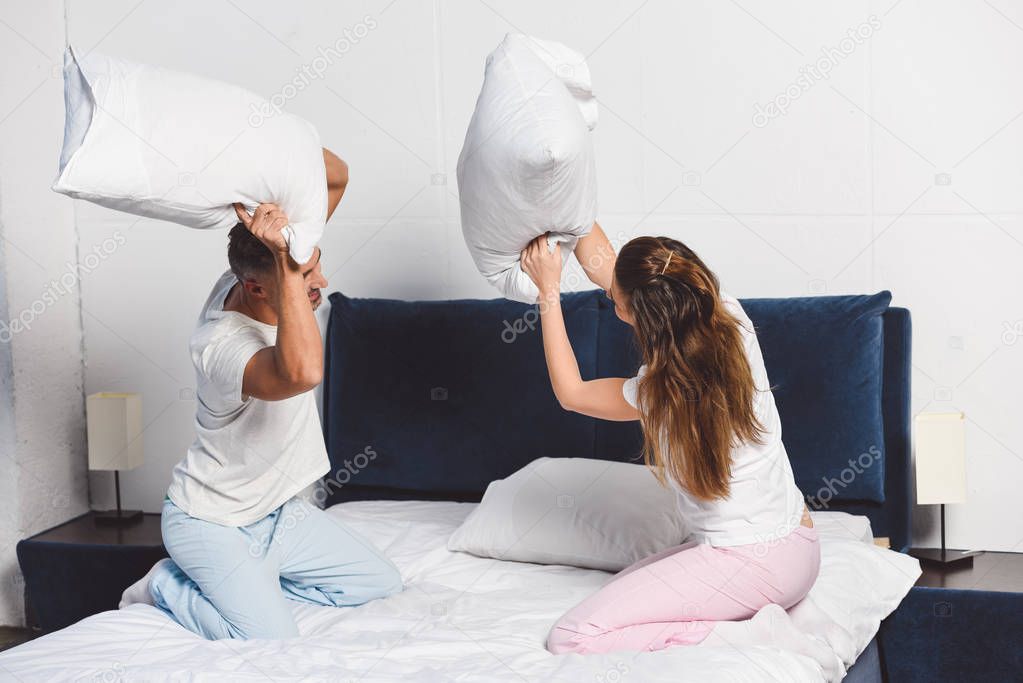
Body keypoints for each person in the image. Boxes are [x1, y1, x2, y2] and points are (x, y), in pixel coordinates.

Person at [119, 149, 403, 640]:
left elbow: (337, 174)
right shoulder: (222, 347)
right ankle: (167, 585)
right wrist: (290, 270)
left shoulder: (257, 267)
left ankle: (257, 581)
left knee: (379, 582)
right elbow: (304, 371)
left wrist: (248, 142)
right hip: (211, 522)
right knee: (272, 641)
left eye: (315, 267)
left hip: (277, 517)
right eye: (304, 279)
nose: (322, 282)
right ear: (255, 288)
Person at [520, 230, 832, 663]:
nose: (613, 303)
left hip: (751, 564)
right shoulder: (731, 319)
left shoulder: (655, 393)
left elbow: (572, 393)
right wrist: (569, 210)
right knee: (621, 592)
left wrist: (548, 291)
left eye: (618, 305)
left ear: (643, 318)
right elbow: (615, 272)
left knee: (573, 636)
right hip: (801, 553)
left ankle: (754, 636)